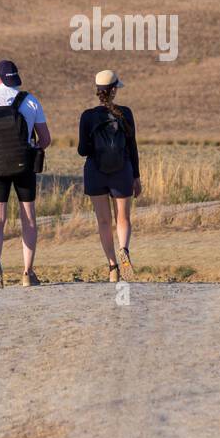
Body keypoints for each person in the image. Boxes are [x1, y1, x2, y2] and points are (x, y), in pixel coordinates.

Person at [0, 59, 51, 288]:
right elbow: (45, 139)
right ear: (15, 79)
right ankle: (28, 272)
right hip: (24, 167)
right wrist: (32, 150)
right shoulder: (30, 101)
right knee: (29, 220)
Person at [78, 69, 141, 282]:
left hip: (96, 173)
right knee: (123, 218)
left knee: (104, 221)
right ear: (114, 90)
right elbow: (132, 147)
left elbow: (82, 150)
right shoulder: (126, 113)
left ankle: (113, 267)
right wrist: (136, 177)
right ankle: (124, 249)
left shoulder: (87, 116)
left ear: (98, 91)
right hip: (122, 171)